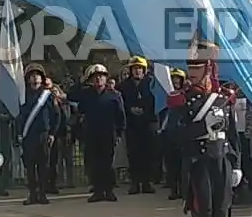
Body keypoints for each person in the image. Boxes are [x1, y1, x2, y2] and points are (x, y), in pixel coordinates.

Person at [171, 39, 241, 217]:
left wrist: (235, 164)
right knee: (204, 216)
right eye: (190, 68)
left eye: (197, 68)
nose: (192, 73)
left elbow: (232, 136)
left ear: (209, 68)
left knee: (220, 213)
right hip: (198, 164)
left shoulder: (222, 98)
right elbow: (172, 135)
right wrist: (203, 126)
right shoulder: (180, 99)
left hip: (220, 162)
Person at [68, 64, 126, 202]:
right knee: (94, 163)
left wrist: (119, 133)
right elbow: (71, 95)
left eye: (101, 77)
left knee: (108, 163)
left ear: (106, 79)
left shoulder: (114, 95)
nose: (98, 79)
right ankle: (98, 191)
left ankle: (109, 190)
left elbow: (120, 116)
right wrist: (82, 80)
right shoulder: (86, 94)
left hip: (108, 133)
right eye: (95, 77)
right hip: (91, 133)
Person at [16, 64, 59, 205]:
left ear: (42, 78)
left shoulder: (47, 96)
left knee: (43, 165)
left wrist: (52, 133)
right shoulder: (23, 96)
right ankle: (32, 194)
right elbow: (19, 116)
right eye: (31, 76)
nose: (35, 78)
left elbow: (56, 115)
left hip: (43, 135)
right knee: (30, 166)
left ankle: (42, 193)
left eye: (37, 75)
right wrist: (18, 133)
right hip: (28, 135)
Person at [118, 57, 159, 195]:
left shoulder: (151, 83)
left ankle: (147, 182)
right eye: (135, 68)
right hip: (132, 124)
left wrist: (146, 112)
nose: (137, 71)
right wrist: (130, 110)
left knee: (149, 153)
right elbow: (120, 103)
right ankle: (135, 182)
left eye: (140, 68)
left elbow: (156, 101)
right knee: (133, 153)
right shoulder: (123, 85)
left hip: (148, 123)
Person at [160, 68, 188, 200]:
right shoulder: (169, 95)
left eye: (178, 79)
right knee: (172, 164)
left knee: (183, 163)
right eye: (173, 79)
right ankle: (173, 188)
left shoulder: (187, 96)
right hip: (170, 133)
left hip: (182, 134)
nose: (175, 81)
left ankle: (184, 189)